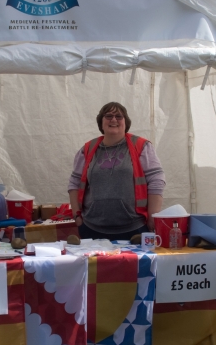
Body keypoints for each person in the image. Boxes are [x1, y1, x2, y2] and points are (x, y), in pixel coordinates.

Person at [68, 102, 165, 241]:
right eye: (108, 116)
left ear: (126, 122)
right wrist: (77, 216)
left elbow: (156, 181)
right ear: (101, 123)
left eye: (119, 116)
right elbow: (74, 183)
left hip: (134, 230)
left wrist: (152, 216)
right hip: (91, 229)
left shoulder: (141, 146)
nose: (113, 120)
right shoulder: (87, 149)